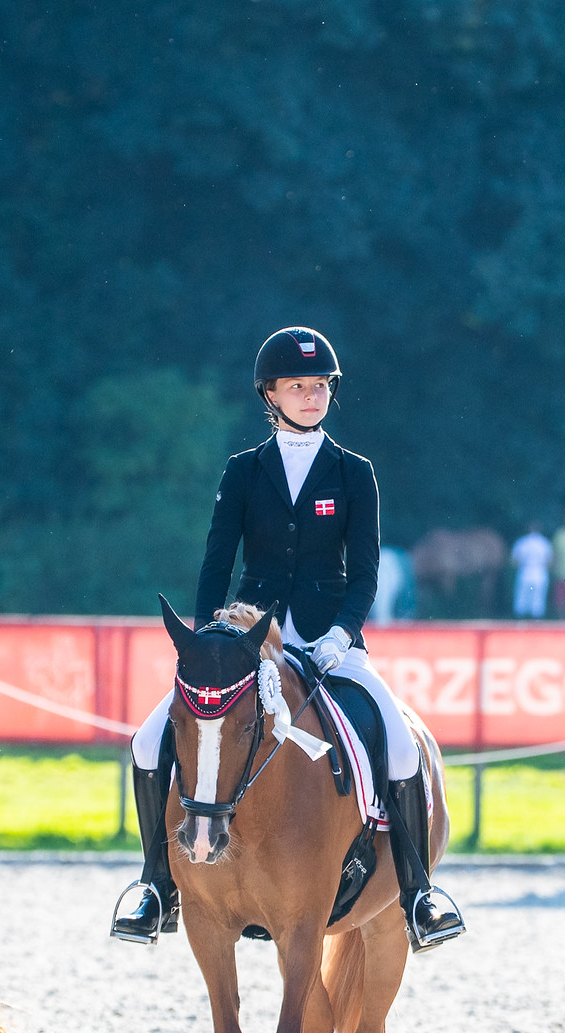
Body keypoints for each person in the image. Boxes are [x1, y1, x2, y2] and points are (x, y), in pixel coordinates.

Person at [112, 327, 465, 954]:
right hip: (250, 639)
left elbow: (366, 573)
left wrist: (341, 634)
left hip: (332, 641)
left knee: (402, 745)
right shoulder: (244, 471)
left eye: (321, 386)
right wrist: (204, 641)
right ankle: (156, 884)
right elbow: (217, 562)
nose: (312, 396)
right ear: (269, 393)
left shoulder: (355, 473)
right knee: (147, 740)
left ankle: (418, 892)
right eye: (298, 386)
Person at [510, 522, 552, 618]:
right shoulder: (544, 543)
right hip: (540, 573)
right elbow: (549, 561)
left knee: (522, 598)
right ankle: (536, 623)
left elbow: (514, 561)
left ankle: (520, 623)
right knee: (538, 599)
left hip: (525, 572)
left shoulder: (521, 542)